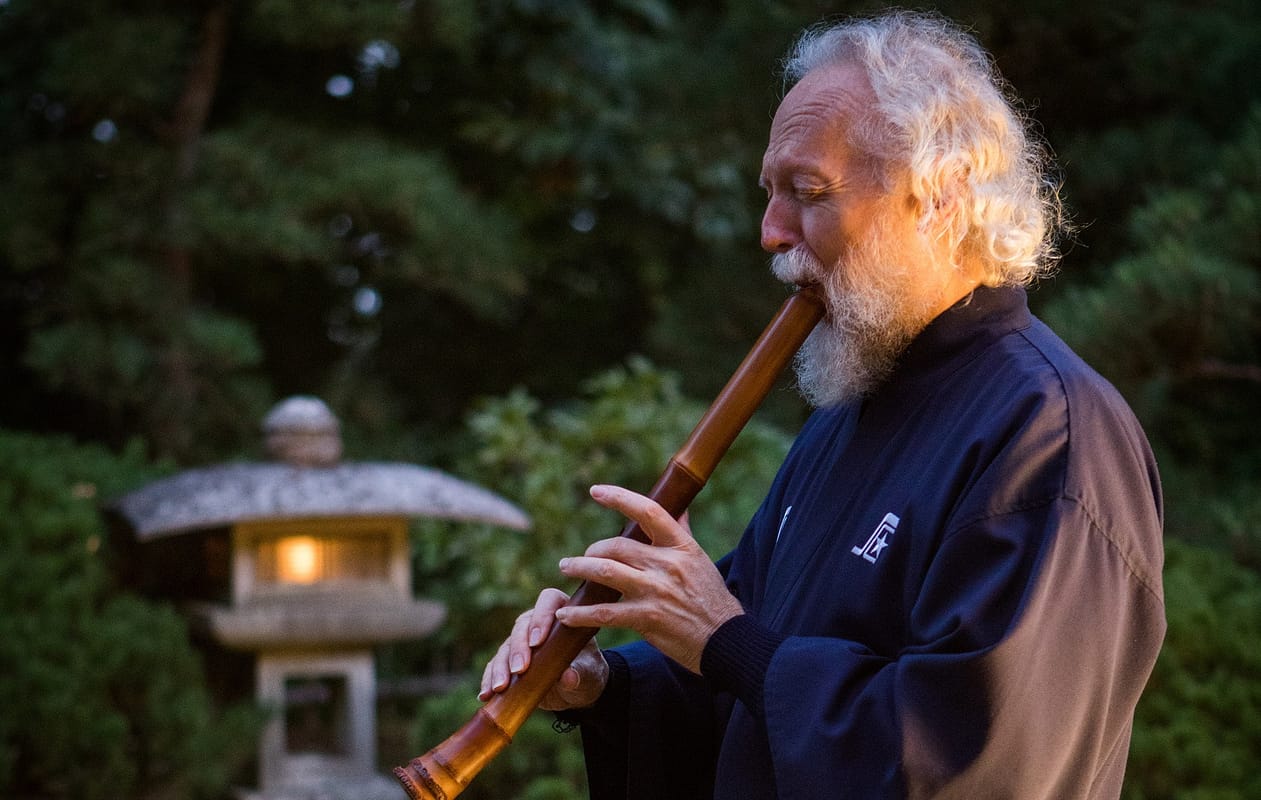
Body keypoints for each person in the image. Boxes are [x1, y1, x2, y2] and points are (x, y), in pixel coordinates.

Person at [479, 10, 1165, 799]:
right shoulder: (846, 417)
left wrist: (724, 640)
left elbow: (979, 763)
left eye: (807, 192)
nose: (771, 233)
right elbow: (738, 693)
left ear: (939, 198)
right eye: (769, 193)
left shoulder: (1049, 432)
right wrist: (603, 685)